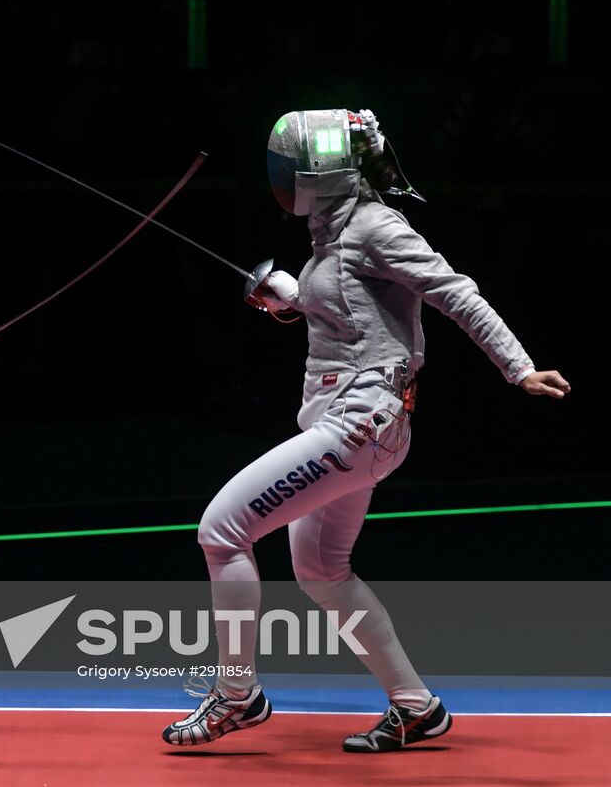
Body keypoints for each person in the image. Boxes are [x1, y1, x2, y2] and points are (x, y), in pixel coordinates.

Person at [161, 108, 570, 753]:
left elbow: (454, 291)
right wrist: (290, 299)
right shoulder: (336, 235)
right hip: (355, 421)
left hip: (360, 424)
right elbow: (358, 318)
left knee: (222, 530)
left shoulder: (375, 225)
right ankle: (417, 707)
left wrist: (517, 368)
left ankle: (237, 696)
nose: (284, 178)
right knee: (322, 569)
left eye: (293, 167)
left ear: (323, 172)